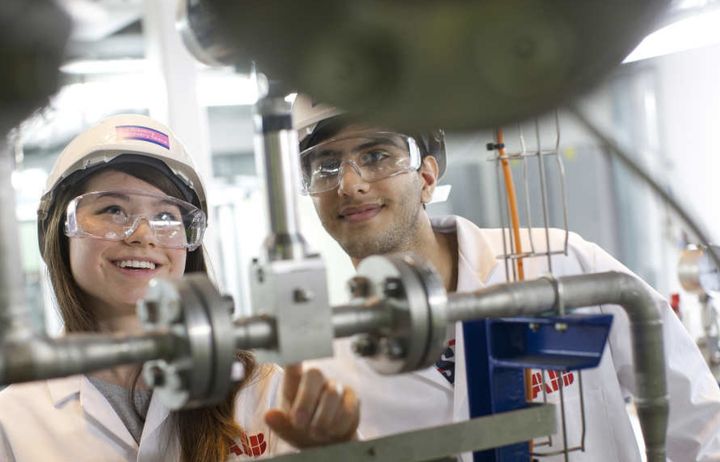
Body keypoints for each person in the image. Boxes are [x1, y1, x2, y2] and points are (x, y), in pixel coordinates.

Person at [292, 96, 720, 461]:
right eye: (325, 166)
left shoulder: (562, 263)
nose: (348, 184)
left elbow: (699, 416)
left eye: (375, 156)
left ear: (426, 176)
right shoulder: (325, 368)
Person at [0, 114, 359, 461]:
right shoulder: (12, 420)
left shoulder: (258, 389)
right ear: (57, 232)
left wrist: (336, 453)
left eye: (166, 216)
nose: (143, 235)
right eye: (113, 209)